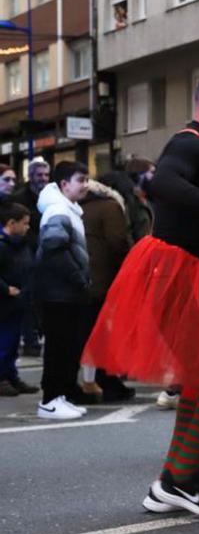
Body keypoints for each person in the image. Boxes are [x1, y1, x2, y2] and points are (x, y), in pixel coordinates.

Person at [83, 56, 199, 518]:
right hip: (173, 271)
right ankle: (181, 477)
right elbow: (164, 183)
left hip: (188, 272)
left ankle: (177, 476)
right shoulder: (188, 144)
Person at [34, 161, 92, 420]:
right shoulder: (58, 209)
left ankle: (59, 397)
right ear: (64, 184)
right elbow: (54, 249)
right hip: (58, 293)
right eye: (81, 180)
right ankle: (49, 401)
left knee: (65, 346)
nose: (86, 185)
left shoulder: (69, 209)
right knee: (58, 347)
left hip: (64, 292)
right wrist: (79, 279)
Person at [78, 172, 136, 402]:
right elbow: (118, 242)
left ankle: (90, 382)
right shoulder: (111, 207)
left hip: (83, 279)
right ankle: (109, 382)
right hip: (106, 280)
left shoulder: (78, 207)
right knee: (106, 334)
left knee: (86, 333)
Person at [13, 157, 48, 357]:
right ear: (31, 176)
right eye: (39, 175)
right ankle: (30, 339)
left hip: (45, 252)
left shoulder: (51, 196)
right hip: (27, 251)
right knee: (28, 298)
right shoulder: (21, 198)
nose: (42, 179)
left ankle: (35, 335)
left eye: (45, 175)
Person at [0, 201, 36, 397]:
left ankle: (11, 376)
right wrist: (6, 290)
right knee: (4, 342)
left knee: (13, 343)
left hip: (19, 301)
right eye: (24, 223)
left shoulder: (20, 244)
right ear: (11, 223)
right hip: (5, 303)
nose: (27, 227)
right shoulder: (3, 245)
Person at [124, 157, 156, 241]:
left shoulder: (149, 200)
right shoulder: (129, 202)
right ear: (139, 176)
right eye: (152, 172)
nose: (155, 176)